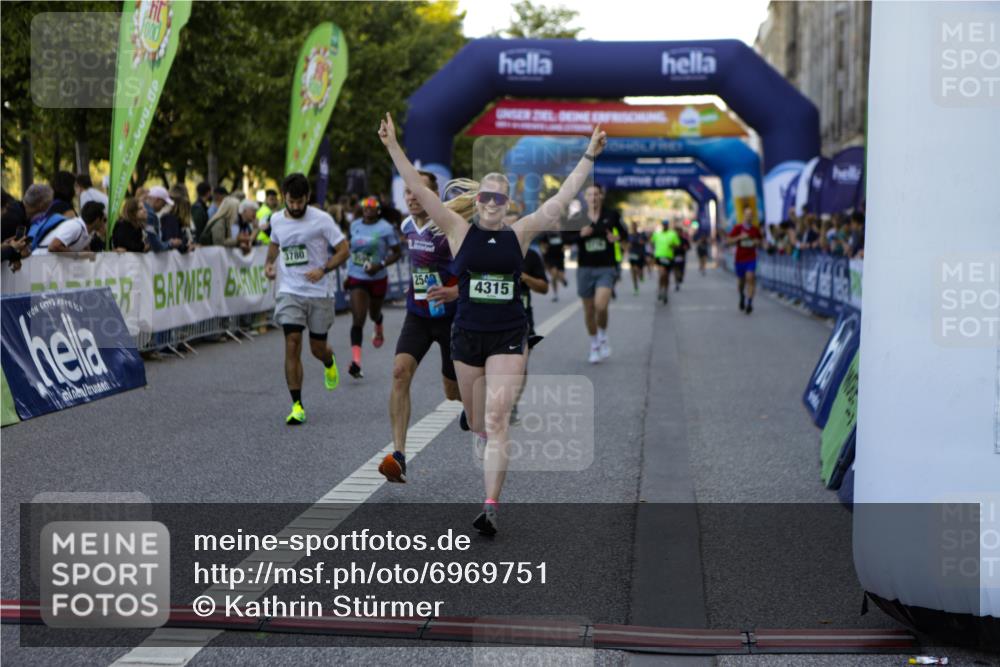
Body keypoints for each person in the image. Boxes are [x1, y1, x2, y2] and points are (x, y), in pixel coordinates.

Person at [379, 111, 606, 534]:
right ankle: (482, 439)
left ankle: (490, 506)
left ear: (508, 205)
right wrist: (393, 145)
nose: (491, 204)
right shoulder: (455, 229)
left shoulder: (520, 233)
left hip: (506, 336)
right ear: (477, 201)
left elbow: (563, 197)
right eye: (485, 197)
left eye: (499, 199)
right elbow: (416, 187)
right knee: (479, 423)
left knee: (498, 419)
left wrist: (589, 155)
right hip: (466, 338)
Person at [380, 171, 461, 483]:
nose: (411, 198)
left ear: (433, 196)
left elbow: (473, 267)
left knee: (453, 393)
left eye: (418, 193)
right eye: (408, 193)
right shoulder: (405, 226)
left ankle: (478, 409)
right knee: (400, 371)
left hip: (451, 317)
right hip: (418, 315)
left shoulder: (449, 227)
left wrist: (454, 291)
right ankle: (398, 455)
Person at [264, 173, 349, 425]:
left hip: (318, 291)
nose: (296, 207)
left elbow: (344, 250)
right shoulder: (276, 219)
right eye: (292, 202)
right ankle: (297, 405)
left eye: (300, 202)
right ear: (284, 198)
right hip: (290, 290)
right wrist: (269, 264)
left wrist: (323, 268)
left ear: (308, 198)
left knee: (317, 348)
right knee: (292, 342)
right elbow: (274, 244)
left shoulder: (322, 220)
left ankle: (328, 360)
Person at [564, 184, 628, 364]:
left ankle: (602, 334)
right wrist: (580, 235)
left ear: (602, 196)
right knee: (589, 309)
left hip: (606, 267)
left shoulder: (612, 215)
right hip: (585, 268)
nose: (593, 197)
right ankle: (594, 344)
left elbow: (625, 234)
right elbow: (565, 239)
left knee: (601, 306)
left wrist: (616, 238)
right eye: (590, 194)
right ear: (585, 197)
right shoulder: (577, 217)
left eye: (596, 194)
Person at [343, 195, 401, 379]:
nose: (367, 208)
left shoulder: (385, 228)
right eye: (364, 205)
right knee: (358, 318)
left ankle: (378, 322)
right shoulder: (354, 225)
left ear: (378, 209)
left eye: (372, 206)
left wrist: (380, 264)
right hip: (357, 276)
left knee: (373, 313)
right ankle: (356, 362)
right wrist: (347, 274)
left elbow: (397, 253)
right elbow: (350, 250)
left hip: (377, 277)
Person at [33, 201, 106, 256]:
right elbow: (53, 246)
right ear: (97, 220)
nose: (104, 223)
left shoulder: (88, 232)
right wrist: (77, 255)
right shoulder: (75, 227)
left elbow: (85, 252)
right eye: (104, 220)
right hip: (39, 262)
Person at [726, 208, 763, 314]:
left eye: (751, 215)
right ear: (743, 216)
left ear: (753, 217)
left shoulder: (755, 229)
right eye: (747, 215)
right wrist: (739, 237)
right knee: (741, 283)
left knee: (750, 278)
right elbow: (728, 240)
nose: (749, 217)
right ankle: (742, 296)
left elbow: (760, 241)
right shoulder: (738, 228)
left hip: (751, 258)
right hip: (739, 259)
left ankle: (749, 303)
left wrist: (757, 241)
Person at [650, 219, 681, 303]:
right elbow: (651, 243)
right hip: (659, 256)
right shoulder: (657, 234)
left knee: (666, 276)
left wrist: (673, 246)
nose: (665, 226)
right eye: (664, 224)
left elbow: (678, 245)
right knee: (662, 274)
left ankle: (665, 292)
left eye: (666, 224)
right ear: (662, 225)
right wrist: (652, 254)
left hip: (669, 257)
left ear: (668, 225)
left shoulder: (673, 234)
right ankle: (660, 289)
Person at [539, 231, 567, 302]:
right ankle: (555, 294)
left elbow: (566, 244)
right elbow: (542, 245)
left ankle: (563, 280)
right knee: (554, 275)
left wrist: (565, 248)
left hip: (559, 258)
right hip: (550, 258)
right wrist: (543, 250)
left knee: (560, 275)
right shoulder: (546, 234)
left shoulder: (561, 233)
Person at [627, 222, 647, 295]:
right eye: (632, 226)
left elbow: (642, 242)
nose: (633, 227)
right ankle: (635, 287)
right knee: (633, 272)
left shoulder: (640, 235)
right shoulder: (629, 236)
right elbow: (627, 245)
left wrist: (636, 242)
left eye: (634, 226)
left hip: (640, 255)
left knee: (639, 270)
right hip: (632, 255)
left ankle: (641, 275)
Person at [673, 222, 691, 290]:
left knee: (681, 271)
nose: (678, 233)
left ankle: (680, 278)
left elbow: (689, 247)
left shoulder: (684, 240)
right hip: (674, 256)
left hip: (682, 256)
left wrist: (686, 248)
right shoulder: (673, 239)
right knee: (675, 270)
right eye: (677, 232)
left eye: (679, 232)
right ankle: (676, 283)